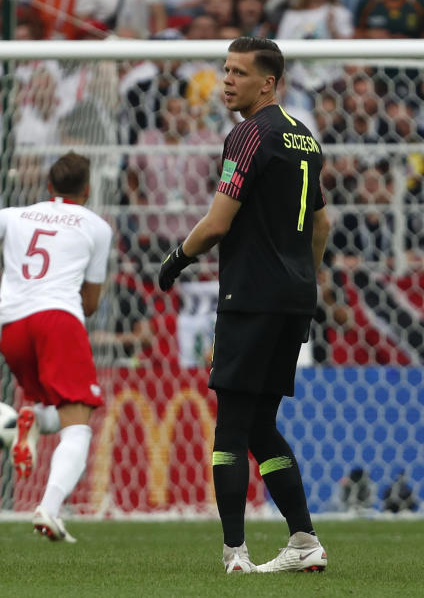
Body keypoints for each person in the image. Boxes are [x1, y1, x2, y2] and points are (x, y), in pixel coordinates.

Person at [157, 37, 331, 574]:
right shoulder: (305, 138)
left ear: (268, 83)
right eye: (225, 70)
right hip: (293, 299)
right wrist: (304, 277)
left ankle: (235, 553)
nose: (227, 80)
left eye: (238, 73)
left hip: (251, 297)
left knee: (231, 425)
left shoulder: (248, 135)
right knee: (260, 424)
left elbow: (217, 223)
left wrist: (175, 259)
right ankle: (303, 541)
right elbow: (320, 224)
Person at [0, 151, 113, 542]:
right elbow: (91, 303)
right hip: (57, 320)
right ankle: (50, 507)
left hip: (13, 328)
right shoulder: (96, 226)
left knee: (52, 411)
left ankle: (23, 421)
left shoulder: (19, 214)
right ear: (88, 189)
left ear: (48, 187)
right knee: (78, 425)